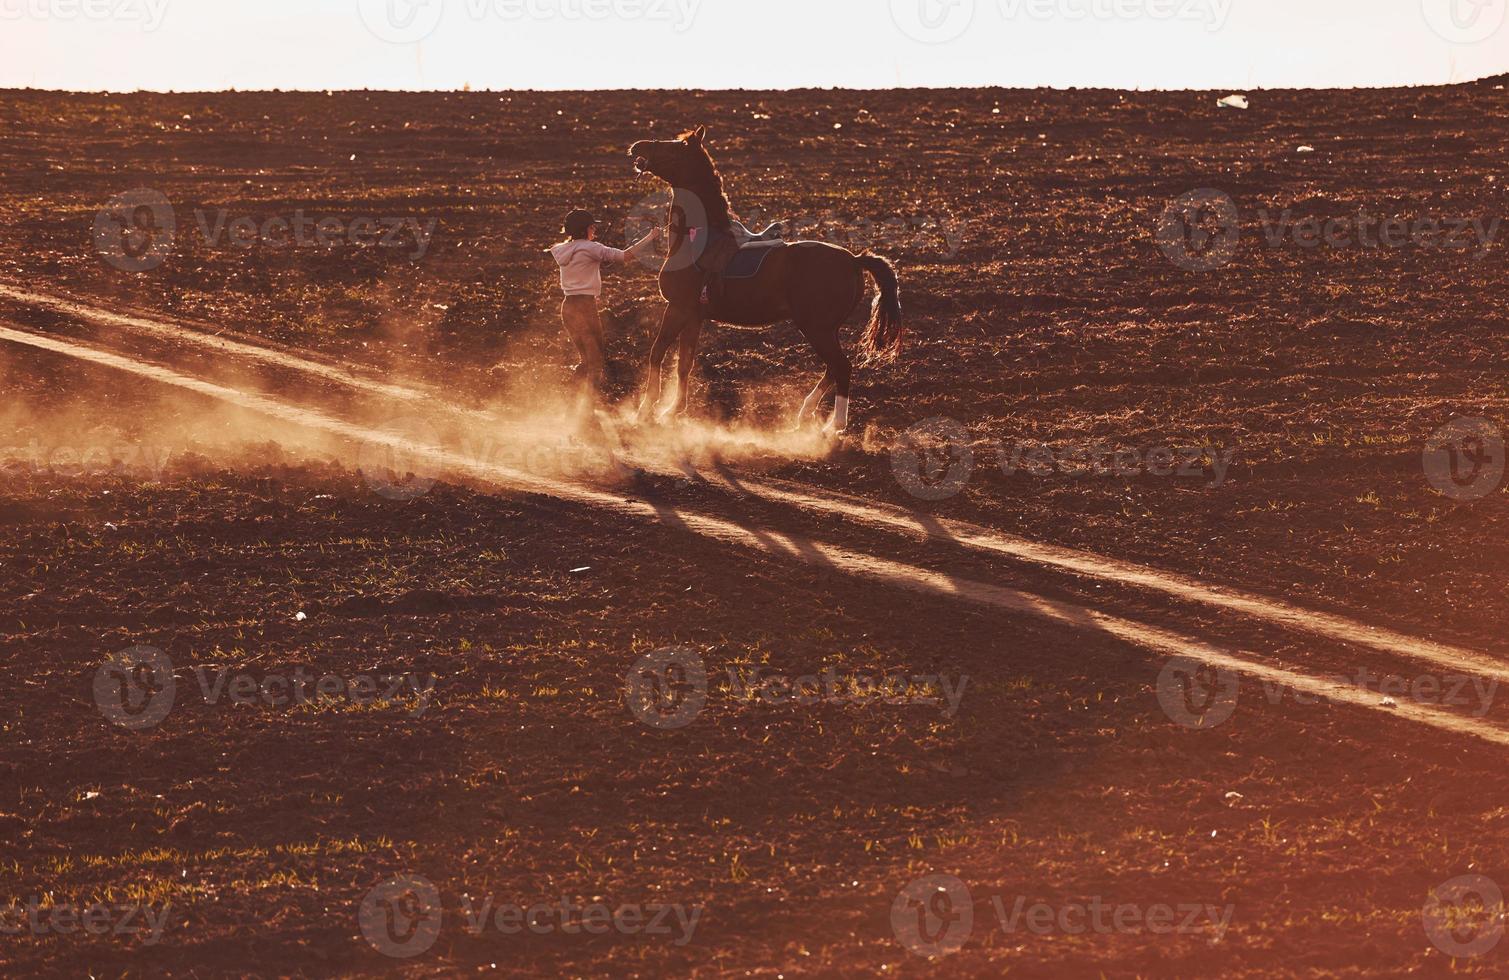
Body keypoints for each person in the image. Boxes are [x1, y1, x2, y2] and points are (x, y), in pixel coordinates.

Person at [549, 209, 660, 400]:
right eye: (593, 227)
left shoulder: (562, 249)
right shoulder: (592, 248)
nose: (595, 231)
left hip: (568, 307)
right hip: (585, 308)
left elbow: (583, 257)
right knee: (595, 361)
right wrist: (651, 236)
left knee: (587, 359)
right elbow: (626, 256)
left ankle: (576, 400)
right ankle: (584, 407)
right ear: (587, 229)